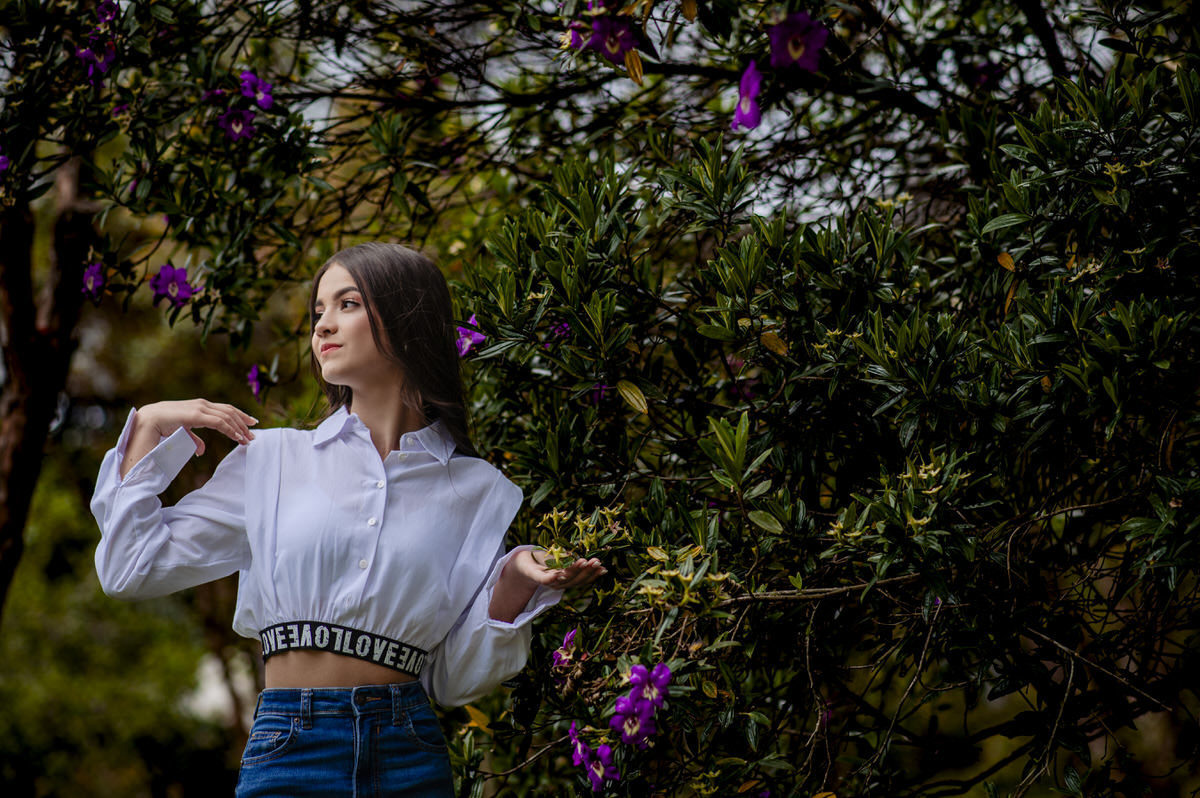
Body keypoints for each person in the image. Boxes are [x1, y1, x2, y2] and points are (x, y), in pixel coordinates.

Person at [90, 242, 606, 796]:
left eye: (348, 304)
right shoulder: (272, 459)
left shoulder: (480, 491)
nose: (322, 326)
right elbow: (129, 569)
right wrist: (149, 424)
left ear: (409, 318)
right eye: (318, 312)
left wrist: (512, 583)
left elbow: (453, 680)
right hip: (289, 748)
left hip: (410, 753)